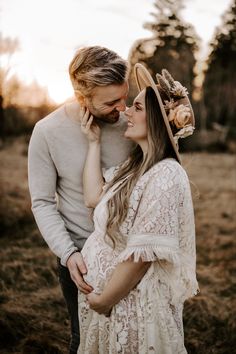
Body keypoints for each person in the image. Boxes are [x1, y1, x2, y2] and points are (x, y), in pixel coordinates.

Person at [78, 63, 199, 353]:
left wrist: (104, 300)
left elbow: (142, 255)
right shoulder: (132, 169)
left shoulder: (166, 174)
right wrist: (93, 143)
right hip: (112, 306)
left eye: (136, 107)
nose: (126, 112)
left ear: (157, 119)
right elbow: (93, 197)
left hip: (133, 308)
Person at [28, 46, 133, 354]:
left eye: (125, 96)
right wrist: (68, 253)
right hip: (81, 259)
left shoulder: (132, 122)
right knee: (85, 340)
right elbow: (42, 202)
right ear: (81, 95)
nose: (123, 107)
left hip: (131, 257)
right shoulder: (46, 132)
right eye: (112, 101)